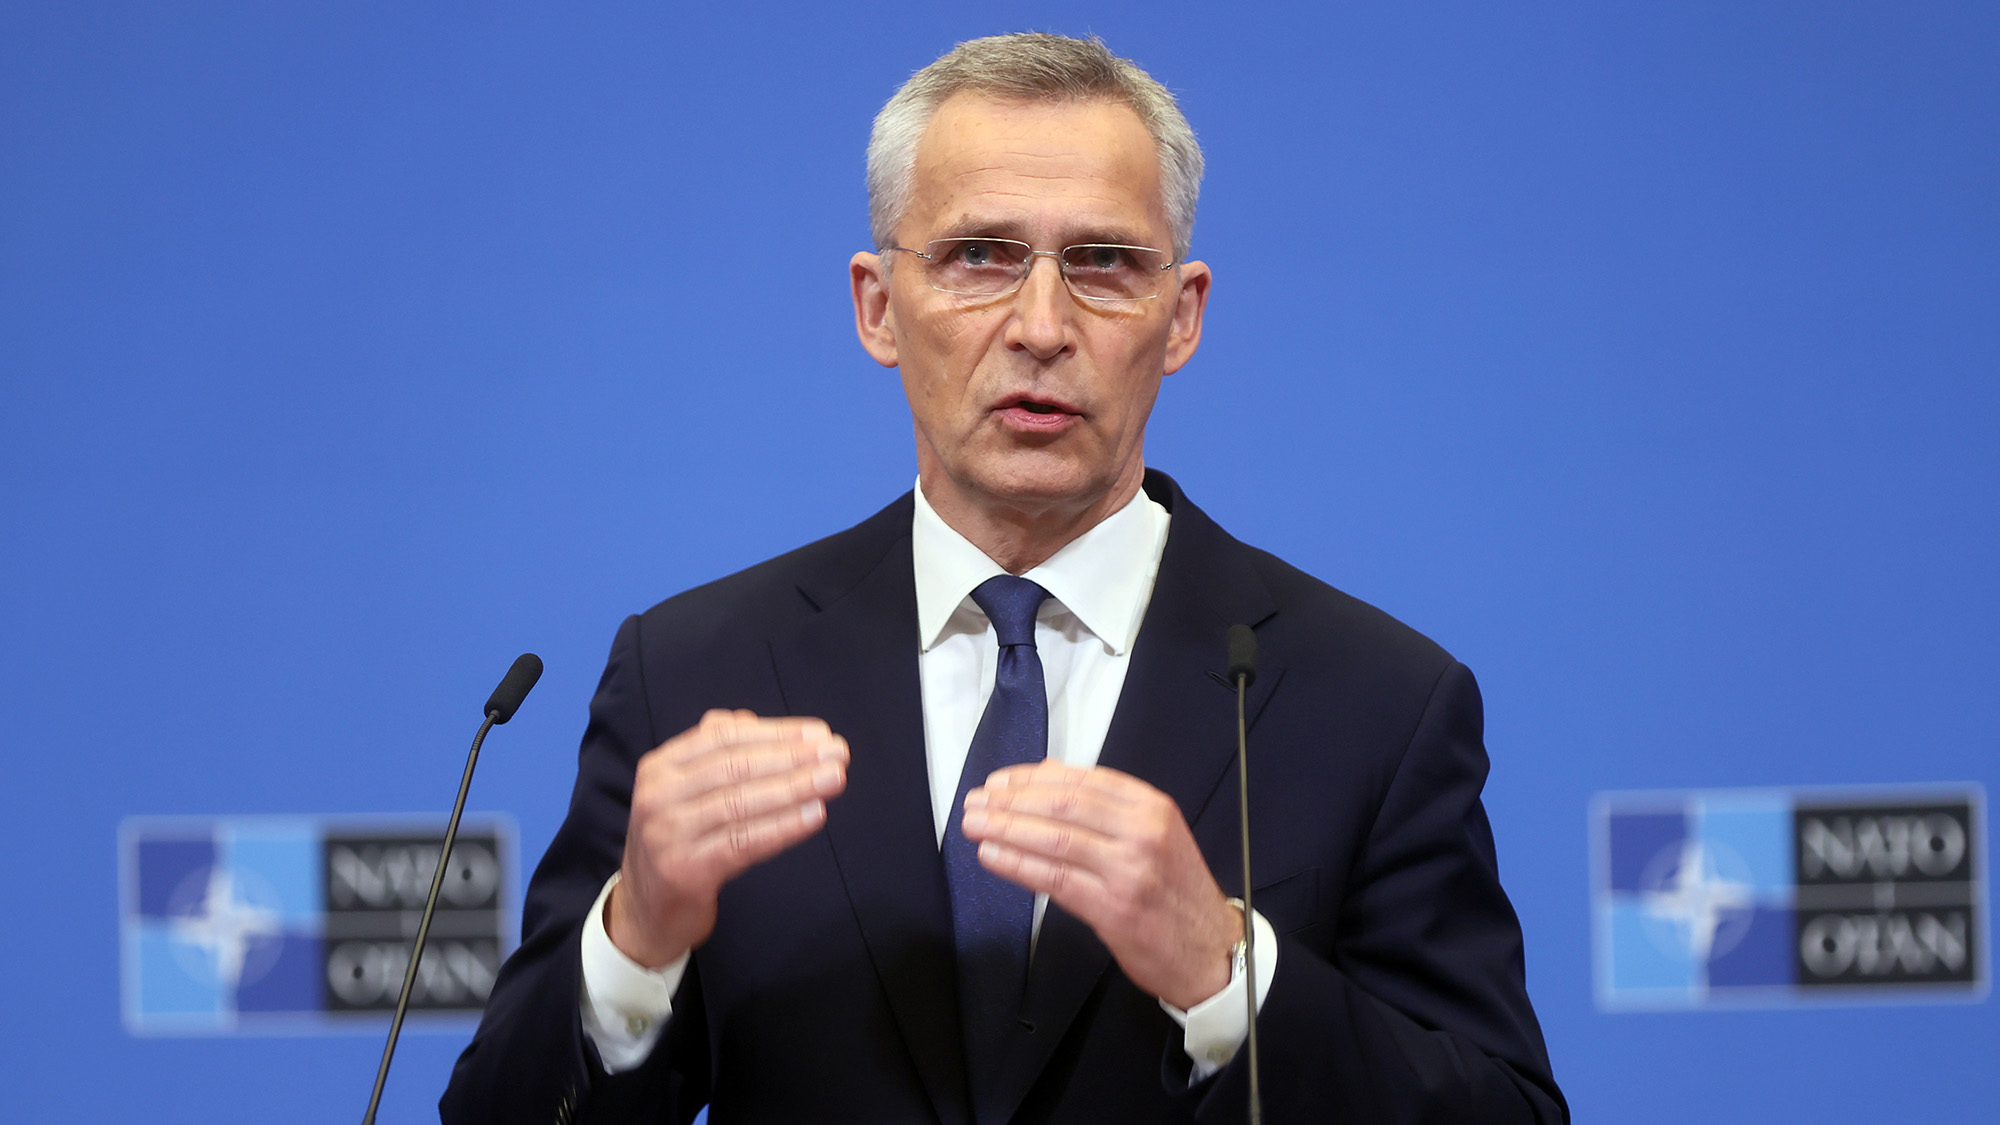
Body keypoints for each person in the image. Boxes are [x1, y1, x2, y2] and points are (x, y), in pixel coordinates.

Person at [442, 32, 1565, 1124]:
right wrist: (634, 944)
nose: (1040, 326)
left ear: (1180, 319)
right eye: (977, 256)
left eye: (1104, 264)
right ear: (878, 306)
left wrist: (1227, 975)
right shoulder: (694, 671)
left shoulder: (1371, 699)